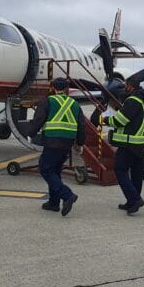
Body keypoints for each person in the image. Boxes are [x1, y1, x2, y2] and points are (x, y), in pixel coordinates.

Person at [29, 77, 85, 216]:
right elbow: (81, 126)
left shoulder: (48, 101)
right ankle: (54, 203)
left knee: (45, 168)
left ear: (53, 88)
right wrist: (80, 142)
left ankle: (67, 195)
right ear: (67, 89)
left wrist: (31, 132)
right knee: (55, 171)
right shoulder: (75, 104)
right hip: (67, 144)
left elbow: (39, 119)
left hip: (52, 141)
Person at [104, 76, 144, 215]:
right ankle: (132, 202)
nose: (124, 88)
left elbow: (121, 120)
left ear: (130, 87)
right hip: (142, 143)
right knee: (137, 174)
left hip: (130, 143)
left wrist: (107, 119)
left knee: (120, 170)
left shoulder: (133, 101)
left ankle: (135, 199)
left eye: (126, 86)